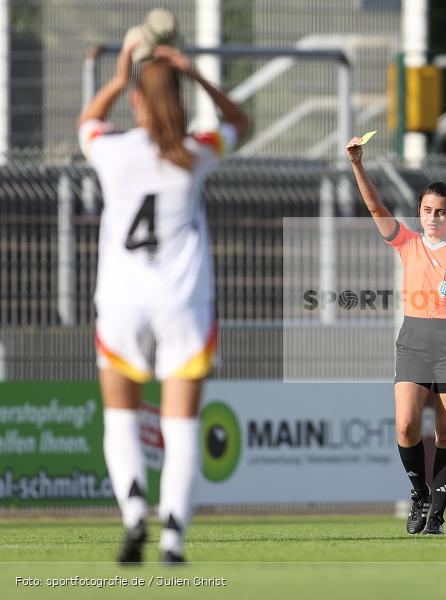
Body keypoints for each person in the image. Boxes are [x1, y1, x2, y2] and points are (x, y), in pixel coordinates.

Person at [78, 42, 248, 563]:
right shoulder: (196, 151)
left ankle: (133, 515)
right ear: (177, 98)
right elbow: (241, 120)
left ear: (135, 101)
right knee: (180, 429)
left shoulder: (112, 150)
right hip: (183, 306)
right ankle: (172, 535)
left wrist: (117, 76)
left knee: (120, 420)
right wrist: (195, 74)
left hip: (124, 302)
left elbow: (87, 120)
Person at [345, 137, 446, 535]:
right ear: (420, 213)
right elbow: (374, 207)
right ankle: (418, 495)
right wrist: (358, 164)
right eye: (427, 211)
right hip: (413, 339)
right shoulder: (407, 243)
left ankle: (437, 517)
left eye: (441, 212)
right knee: (406, 425)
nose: (433, 218)